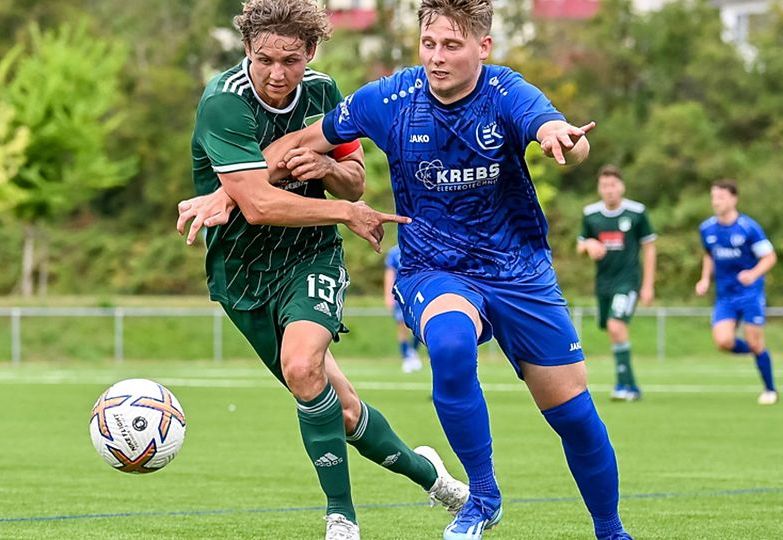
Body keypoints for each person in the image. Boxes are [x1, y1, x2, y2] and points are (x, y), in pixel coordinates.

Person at [183, 1, 634, 538]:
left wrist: (566, 139)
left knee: (574, 418)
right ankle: (482, 497)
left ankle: (611, 530)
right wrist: (230, 193)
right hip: (434, 268)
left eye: (451, 46)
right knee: (448, 344)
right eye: (429, 45)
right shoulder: (390, 98)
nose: (437, 58)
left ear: (482, 48)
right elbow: (299, 142)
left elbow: (554, 129)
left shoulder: (507, 91)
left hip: (518, 270)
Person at [180, 1, 469, 538]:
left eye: (290, 59)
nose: (276, 72)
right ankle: (433, 477)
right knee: (343, 410)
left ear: (310, 52)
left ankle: (342, 517)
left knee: (301, 366)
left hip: (310, 254)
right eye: (264, 58)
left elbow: (356, 179)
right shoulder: (224, 103)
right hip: (241, 273)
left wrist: (331, 168)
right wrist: (346, 210)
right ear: (247, 49)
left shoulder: (323, 93)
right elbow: (260, 204)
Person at [578, 165, 656, 402]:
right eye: (604, 186)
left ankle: (624, 386)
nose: (609, 190)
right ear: (599, 189)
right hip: (604, 283)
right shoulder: (591, 214)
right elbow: (580, 245)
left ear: (621, 186)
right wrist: (589, 245)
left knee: (615, 325)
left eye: (613, 185)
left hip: (628, 281)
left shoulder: (636, 213)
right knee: (610, 328)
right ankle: (631, 386)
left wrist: (648, 285)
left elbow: (650, 247)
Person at [696, 179, 777, 405]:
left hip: (750, 293)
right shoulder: (707, 228)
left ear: (733, 198)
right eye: (714, 197)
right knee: (723, 341)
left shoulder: (748, 228)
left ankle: (770, 390)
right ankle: (758, 353)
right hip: (725, 295)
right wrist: (704, 279)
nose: (716, 202)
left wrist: (753, 273)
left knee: (754, 341)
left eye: (721, 197)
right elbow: (709, 255)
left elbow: (769, 257)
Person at [385, 246, 423, 373]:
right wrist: (388, 296)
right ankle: (406, 357)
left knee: (417, 325)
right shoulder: (394, 252)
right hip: (399, 295)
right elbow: (389, 274)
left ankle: (413, 352)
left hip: (415, 294)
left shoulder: (417, 248)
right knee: (401, 326)